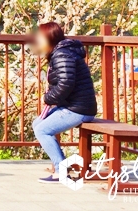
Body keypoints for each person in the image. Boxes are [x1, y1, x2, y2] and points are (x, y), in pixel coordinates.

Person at [31, 21, 98, 183]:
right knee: (37, 123)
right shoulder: (62, 52)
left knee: (43, 131)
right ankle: (60, 165)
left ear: (49, 38)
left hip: (79, 109)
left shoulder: (62, 54)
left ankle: (61, 171)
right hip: (74, 105)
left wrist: (48, 98)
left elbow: (65, 83)